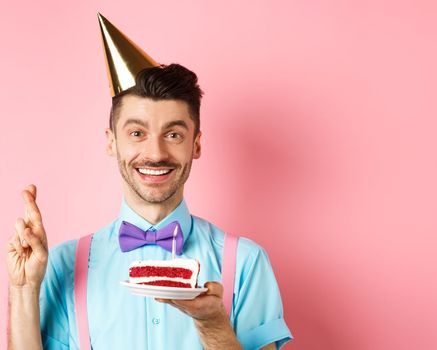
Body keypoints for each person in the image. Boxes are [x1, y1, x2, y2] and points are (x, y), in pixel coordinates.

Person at [6, 13, 292, 350]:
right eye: (137, 133)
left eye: (173, 133)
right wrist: (24, 291)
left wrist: (213, 325)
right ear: (112, 141)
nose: (155, 153)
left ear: (196, 144)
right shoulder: (62, 265)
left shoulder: (245, 262)